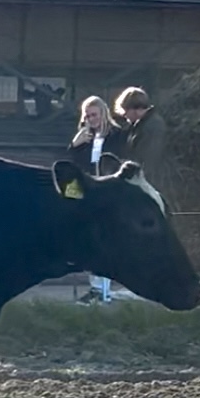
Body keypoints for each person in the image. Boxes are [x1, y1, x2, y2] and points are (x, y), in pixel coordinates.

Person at [69, 95, 127, 305]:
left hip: (110, 191)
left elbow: (121, 161)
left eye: (94, 114)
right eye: (87, 115)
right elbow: (73, 165)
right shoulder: (84, 138)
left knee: (108, 240)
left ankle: (103, 289)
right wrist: (75, 146)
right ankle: (97, 289)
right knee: (92, 241)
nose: (91, 119)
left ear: (103, 113)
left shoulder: (118, 135)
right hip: (90, 192)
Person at [113, 86, 168, 185]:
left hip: (149, 182)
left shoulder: (153, 126)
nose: (124, 115)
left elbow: (150, 159)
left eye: (125, 111)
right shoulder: (141, 125)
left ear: (134, 109)